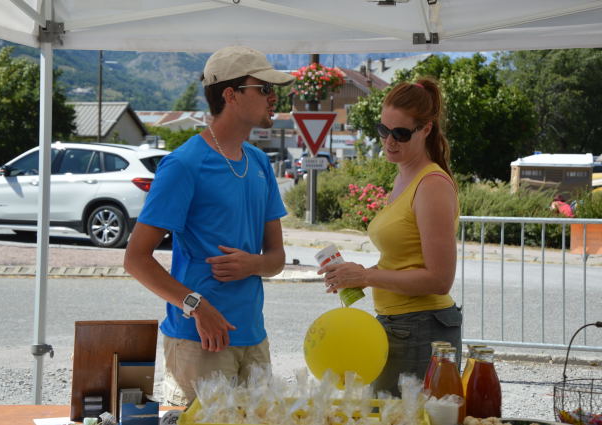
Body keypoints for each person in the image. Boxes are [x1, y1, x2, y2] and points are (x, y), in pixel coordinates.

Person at [124, 45, 293, 406]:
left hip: (253, 338)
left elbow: (277, 258)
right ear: (231, 95)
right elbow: (136, 259)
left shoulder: (260, 162)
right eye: (263, 88)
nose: (272, 97)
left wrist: (254, 264)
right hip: (199, 342)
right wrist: (196, 305)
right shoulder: (184, 164)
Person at [318, 78, 462, 396]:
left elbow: (439, 280)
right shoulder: (405, 175)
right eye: (383, 130)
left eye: (400, 134)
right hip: (403, 325)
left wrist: (367, 276)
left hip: (421, 326)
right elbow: (404, 259)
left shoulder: (431, 184)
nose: (389, 141)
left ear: (426, 129)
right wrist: (360, 274)